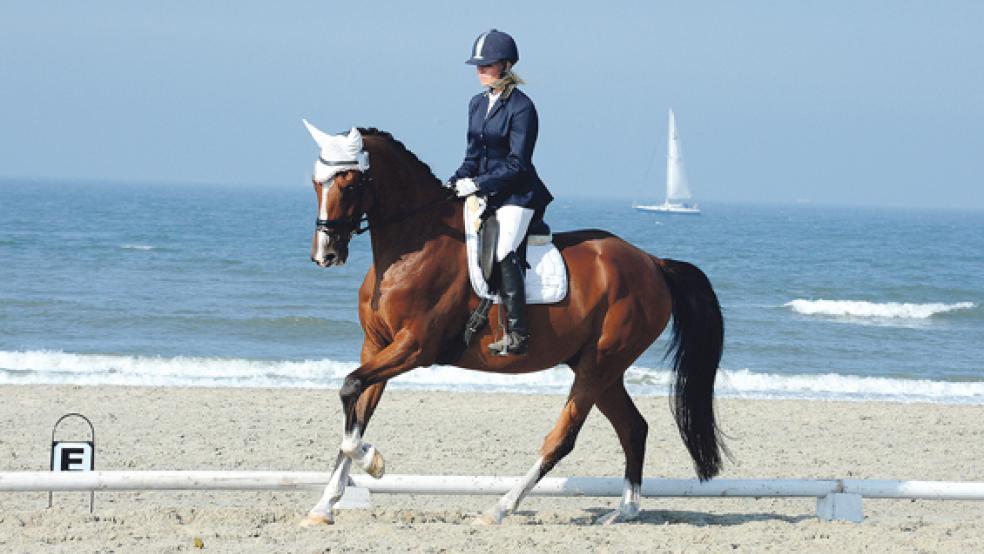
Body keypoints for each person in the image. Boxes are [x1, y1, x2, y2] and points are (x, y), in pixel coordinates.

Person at [449, 29, 554, 356]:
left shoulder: (522, 108)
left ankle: (518, 334)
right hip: (485, 193)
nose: (480, 70)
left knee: (502, 250)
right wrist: (454, 183)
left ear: (505, 65)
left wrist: (479, 184)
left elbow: (517, 164)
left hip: (517, 196)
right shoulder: (476, 103)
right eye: (478, 65)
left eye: (488, 64)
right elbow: (472, 157)